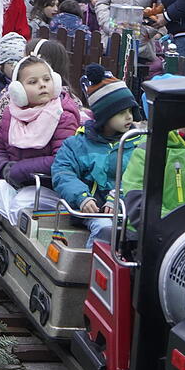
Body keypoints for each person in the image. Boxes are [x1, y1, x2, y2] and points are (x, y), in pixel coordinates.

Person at [52, 65, 143, 247]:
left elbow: (142, 179)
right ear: (104, 116)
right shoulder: (78, 144)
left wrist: (118, 197)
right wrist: (82, 197)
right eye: (121, 112)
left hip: (129, 211)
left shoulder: (139, 144)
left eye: (130, 111)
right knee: (104, 227)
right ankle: (90, 270)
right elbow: (63, 172)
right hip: (94, 211)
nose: (128, 117)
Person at [0, 55, 82, 223]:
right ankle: (14, 223)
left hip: (49, 187)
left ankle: (12, 227)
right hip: (17, 182)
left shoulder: (63, 115)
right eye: (33, 82)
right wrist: (4, 168)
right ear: (18, 91)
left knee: (22, 203)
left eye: (46, 79)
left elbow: (61, 159)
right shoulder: (12, 113)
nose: (42, 85)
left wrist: (20, 169)